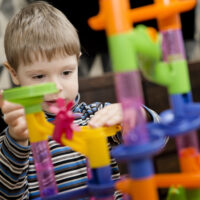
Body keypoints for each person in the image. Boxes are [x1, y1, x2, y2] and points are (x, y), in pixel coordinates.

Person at [0, 1, 159, 199]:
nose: (57, 87)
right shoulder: (16, 139)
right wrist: (17, 142)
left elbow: (158, 139)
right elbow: (9, 196)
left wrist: (136, 114)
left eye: (66, 72)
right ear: (14, 74)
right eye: (39, 77)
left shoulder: (96, 116)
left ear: (77, 61)